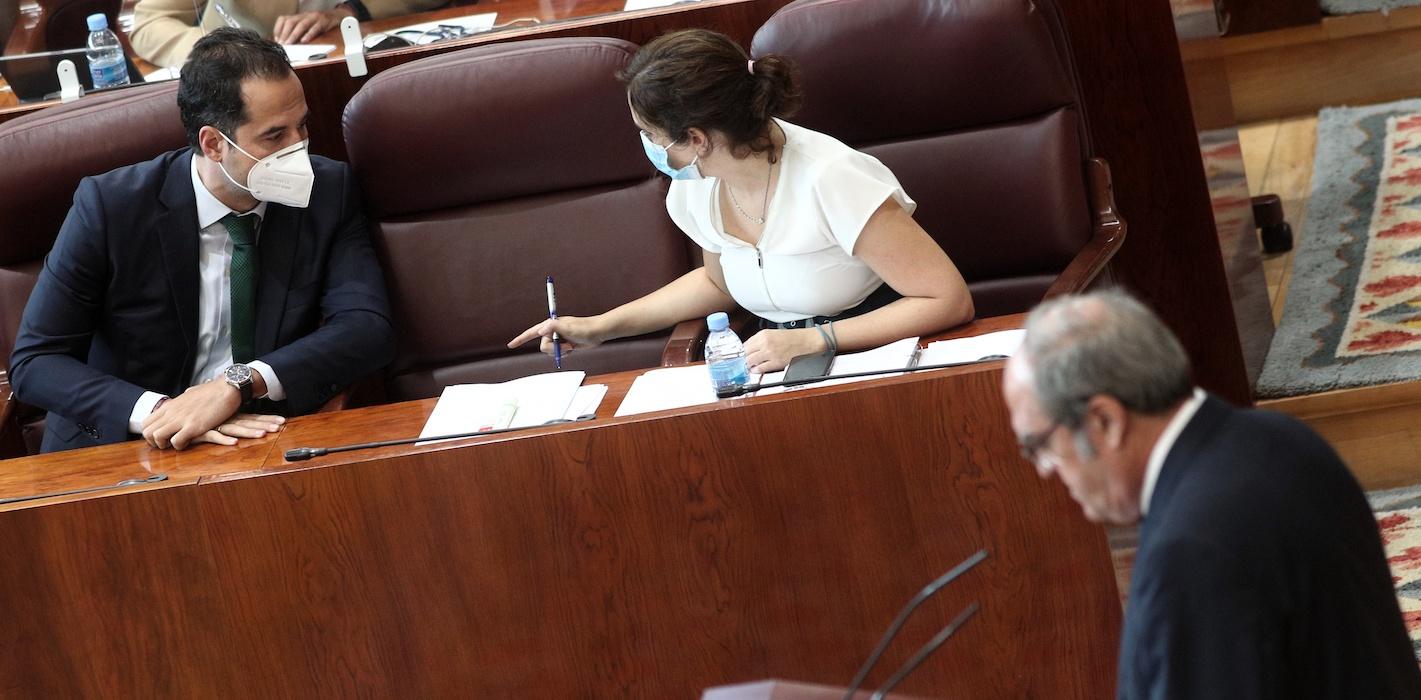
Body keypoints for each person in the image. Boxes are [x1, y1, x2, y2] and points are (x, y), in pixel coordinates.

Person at [1002, 290, 1421, 698]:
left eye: (1040, 445)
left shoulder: (1191, 551)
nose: (1044, 469)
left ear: (1104, 421)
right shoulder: (1279, 435)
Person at [11, 28, 394, 454]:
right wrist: (164, 412)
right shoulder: (110, 207)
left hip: (255, 436)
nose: (298, 149)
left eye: (301, 126)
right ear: (213, 144)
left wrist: (239, 384)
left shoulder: (327, 192)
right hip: (122, 447)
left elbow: (366, 327)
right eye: (274, 136)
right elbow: (36, 362)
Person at [509, 29, 974, 372]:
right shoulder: (695, 187)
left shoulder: (830, 177)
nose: (647, 147)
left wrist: (816, 340)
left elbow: (947, 299)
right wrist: (600, 327)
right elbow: (719, 283)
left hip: (877, 360)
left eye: (649, 134)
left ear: (695, 138)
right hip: (776, 364)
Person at [130, 0, 447, 68]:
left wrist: (349, 11)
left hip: (366, 68)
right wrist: (220, 52)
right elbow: (151, 21)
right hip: (242, 84)